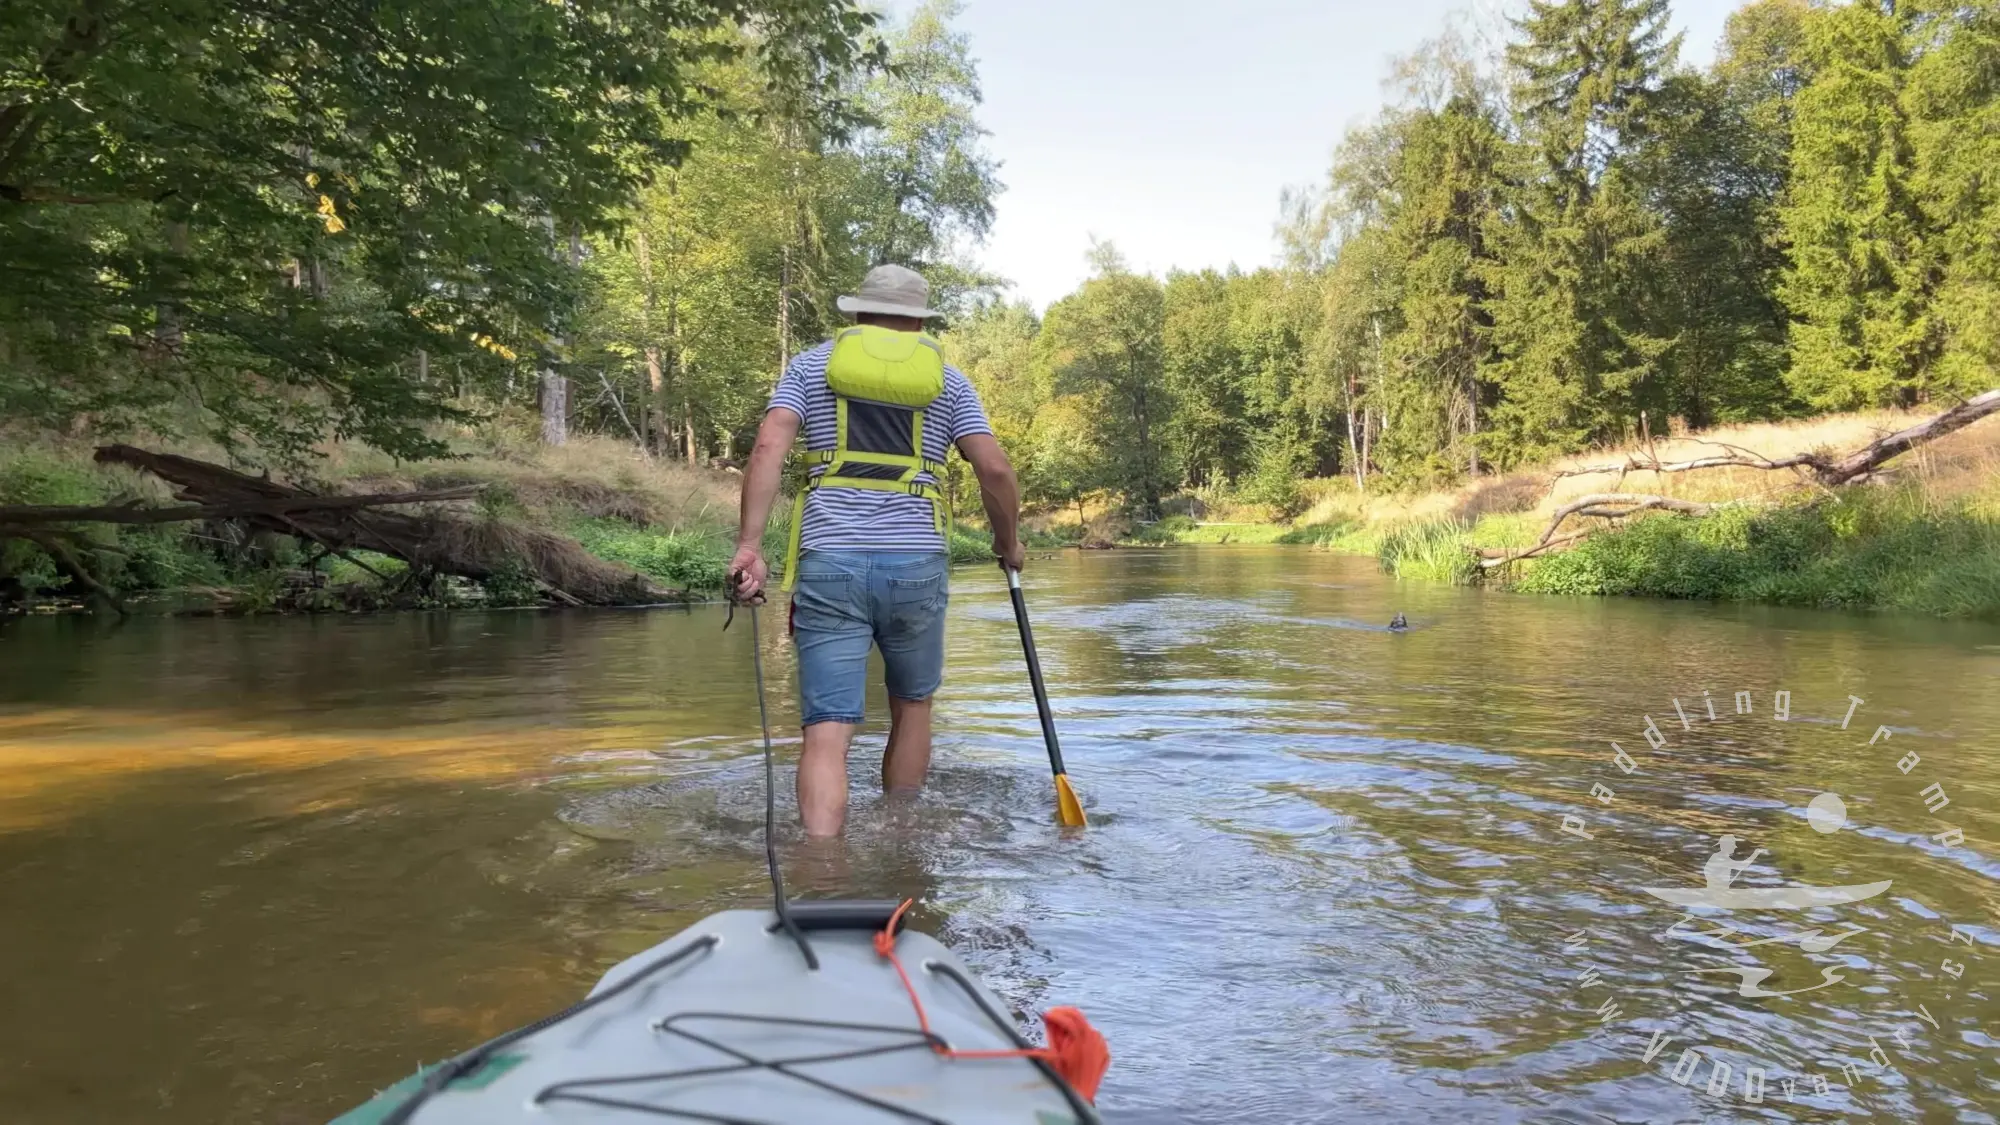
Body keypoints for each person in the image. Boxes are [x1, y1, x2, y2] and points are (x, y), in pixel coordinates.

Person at [729, 264, 1024, 837]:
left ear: (859, 314)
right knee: (912, 706)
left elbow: (768, 446)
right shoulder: (951, 382)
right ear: (918, 322)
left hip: (830, 561)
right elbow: (995, 470)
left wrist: (749, 546)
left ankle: (821, 865)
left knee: (827, 728)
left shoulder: (811, 367)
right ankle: (901, 840)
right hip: (915, 565)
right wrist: (1006, 541)